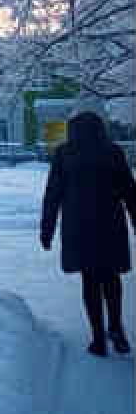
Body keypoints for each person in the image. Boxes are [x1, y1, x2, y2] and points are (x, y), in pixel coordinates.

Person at [40, 107, 136, 357]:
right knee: (111, 277)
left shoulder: (64, 153)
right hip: (111, 225)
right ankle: (116, 327)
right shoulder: (113, 152)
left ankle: (98, 338)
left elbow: (53, 194)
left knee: (90, 280)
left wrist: (47, 229)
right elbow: (129, 190)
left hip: (79, 228)